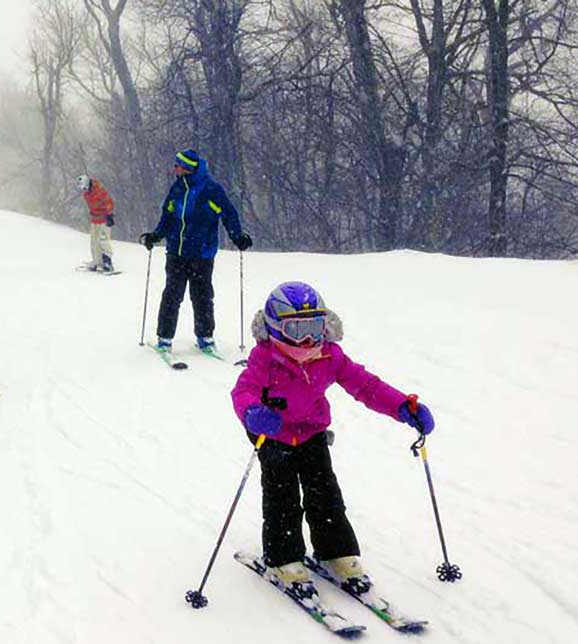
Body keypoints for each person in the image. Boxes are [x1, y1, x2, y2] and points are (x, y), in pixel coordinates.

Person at [230, 281, 436, 599]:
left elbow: (366, 385)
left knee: (324, 492)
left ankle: (334, 551)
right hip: (272, 433)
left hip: (311, 431)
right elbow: (243, 391)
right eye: (295, 329)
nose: (308, 338)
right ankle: (282, 558)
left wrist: (401, 407)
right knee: (282, 495)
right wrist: (252, 413)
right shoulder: (264, 358)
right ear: (274, 327)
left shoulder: (329, 356)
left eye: (314, 326)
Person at [139, 149, 252, 355]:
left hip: (202, 253)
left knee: (202, 296)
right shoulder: (176, 189)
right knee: (172, 295)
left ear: (188, 168)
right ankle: (164, 338)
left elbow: (228, 213)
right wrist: (156, 236)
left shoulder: (211, 189)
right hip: (177, 252)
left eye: (178, 165)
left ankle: (205, 337)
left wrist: (237, 236)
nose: (174, 168)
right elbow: (168, 216)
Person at [76, 174, 116, 272]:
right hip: (95, 219)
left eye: (84, 187)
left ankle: (107, 262)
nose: (84, 189)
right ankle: (97, 262)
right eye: (82, 188)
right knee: (94, 242)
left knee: (103, 240)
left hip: (104, 218)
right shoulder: (86, 194)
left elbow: (108, 201)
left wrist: (109, 215)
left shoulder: (99, 190)